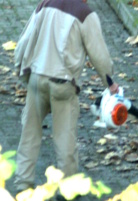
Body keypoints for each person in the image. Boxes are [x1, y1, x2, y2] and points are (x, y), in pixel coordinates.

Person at [13, 0, 118, 198]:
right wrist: (110, 83)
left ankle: (23, 185)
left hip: (36, 77)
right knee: (64, 139)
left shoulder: (45, 4)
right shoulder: (85, 15)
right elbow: (99, 56)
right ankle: (67, 189)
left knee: (29, 134)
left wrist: (21, 68)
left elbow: (26, 38)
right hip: (62, 85)